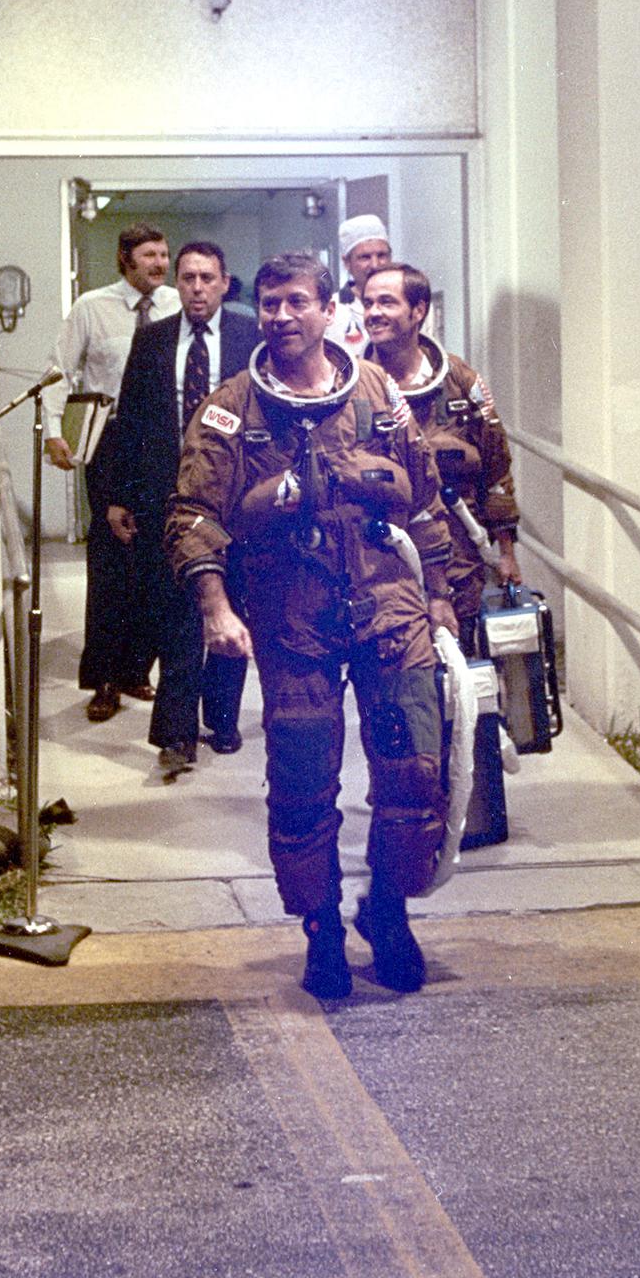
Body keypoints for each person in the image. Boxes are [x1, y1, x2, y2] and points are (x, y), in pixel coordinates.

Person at [167, 251, 458, 1001]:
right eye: (270, 304)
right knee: (301, 781)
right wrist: (216, 606)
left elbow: (424, 498)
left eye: (298, 302)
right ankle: (322, 927)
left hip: (388, 602)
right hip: (290, 610)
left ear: (331, 311)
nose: (282, 316)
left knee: (413, 770)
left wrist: (446, 595)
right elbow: (194, 514)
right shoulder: (232, 411)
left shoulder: (376, 391)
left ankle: (387, 912)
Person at [106, 241, 257, 780]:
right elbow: (129, 421)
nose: (196, 288)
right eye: (187, 277)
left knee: (228, 603)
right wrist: (121, 495)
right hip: (168, 497)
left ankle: (221, 718)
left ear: (223, 283)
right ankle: (175, 734)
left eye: (206, 278)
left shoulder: (249, 337)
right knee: (175, 615)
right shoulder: (151, 341)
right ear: (178, 282)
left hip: (235, 499)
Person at [43, 223, 179, 721]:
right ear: (126, 259)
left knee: (152, 559)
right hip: (110, 441)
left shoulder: (176, 307)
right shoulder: (91, 308)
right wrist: (53, 431)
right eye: (149, 255)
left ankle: (135, 670)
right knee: (109, 560)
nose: (160, 264)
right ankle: (101, 678)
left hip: (161, 444)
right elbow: (59, 370)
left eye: (164, 254)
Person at [360, 262, 521, 638]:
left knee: (465, 667)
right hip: (382, 557)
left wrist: (507, 552)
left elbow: (496, 467)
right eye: (368, 304)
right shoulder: (352, 385)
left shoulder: (459, 382)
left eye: (386, 302)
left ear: (418, 311)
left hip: (458, 551)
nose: (373, 313)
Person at [329, 213, 391, 358]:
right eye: (365, 257)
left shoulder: (407, 303)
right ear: (346, 262)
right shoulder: (331, 309)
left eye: (381, 255)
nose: (375, 265)